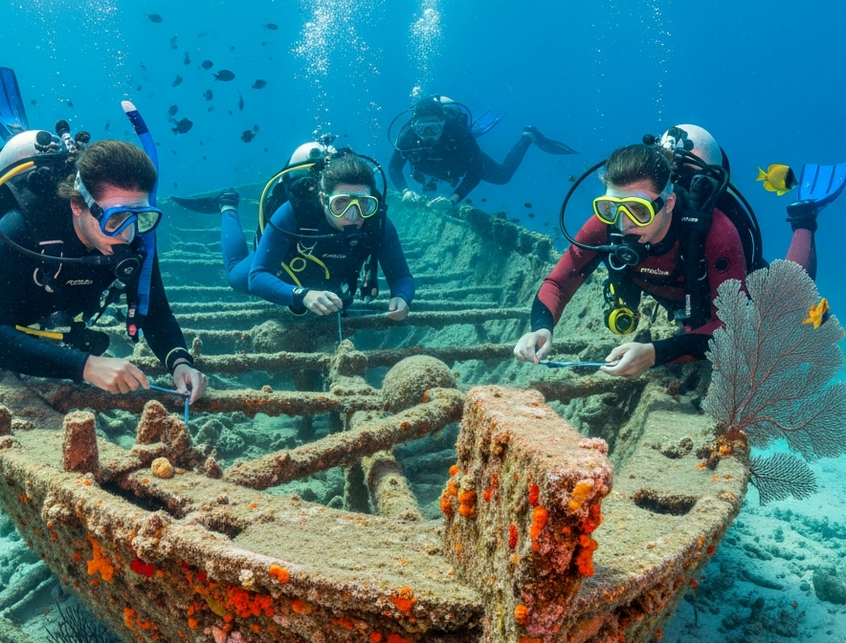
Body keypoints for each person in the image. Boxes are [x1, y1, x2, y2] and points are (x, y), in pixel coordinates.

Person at [0, 67, 203, 398]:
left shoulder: (136, 234)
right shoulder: (26, 226)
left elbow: (156, 310)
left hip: (45, 308)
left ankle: (23, 146)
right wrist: (86, 366)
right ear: (78, 205)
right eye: (115, 219)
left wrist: (180, 362)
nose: (128, 235)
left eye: (141, 217)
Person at [513, 124, 841, 378]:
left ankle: (803, 218)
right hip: (678, 297)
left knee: (790, 294)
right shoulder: (607, 224)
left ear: (668, 202)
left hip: (724, 287)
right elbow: (558, 282)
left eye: (639, 211)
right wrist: (542, 326)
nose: (624, 225)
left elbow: (733, 326)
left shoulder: (716, 232)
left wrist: (655, 353)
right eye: (611, 208)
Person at [173, 145, 414, 319]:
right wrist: (303, 295)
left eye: (363, 204)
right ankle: (227, 204)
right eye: (341, 204)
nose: (353, 215)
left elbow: (401, 276)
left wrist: (401, 297)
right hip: (285, 259)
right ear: (323, 198)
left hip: (327, 275)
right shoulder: (294, 211)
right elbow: (257, 277)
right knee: (237, 277)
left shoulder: (378, 221)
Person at [388, 95, 578, 206]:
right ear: (413, 126)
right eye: (422, 129)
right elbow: (395, 167)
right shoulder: (409, 138)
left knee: (503, 177)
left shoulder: (460, 134)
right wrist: (404, 191)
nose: (428, 135)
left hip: (458, 155)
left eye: (434, 128)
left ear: (444, 124)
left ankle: (528, 136)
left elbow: (475, 173)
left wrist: (453, 199)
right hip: (435, 166)